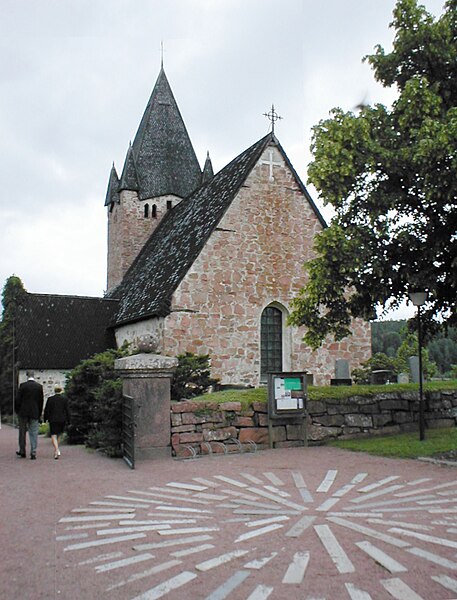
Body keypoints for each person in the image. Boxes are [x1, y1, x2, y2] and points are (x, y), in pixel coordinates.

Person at [16, 370, 44, 460]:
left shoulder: (22, 386)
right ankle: (33, 452)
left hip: (23, 412)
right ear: (34, 376)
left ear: (27, 376)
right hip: (34, 412)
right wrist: (39, 413)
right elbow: (41, 402)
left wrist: (17, 411)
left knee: (22, 433)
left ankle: (22, 451)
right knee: (34, 433)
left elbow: (18, 400)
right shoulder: (39, 387)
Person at [43, 386, 70, 459]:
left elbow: (47, 410)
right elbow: (67, 410)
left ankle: (56, 450)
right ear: (61, 390)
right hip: (62, 419)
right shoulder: (65, 399)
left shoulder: (50, 399)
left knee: (53, 435)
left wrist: (45, 419)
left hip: (53, 419)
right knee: (59, 434)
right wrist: (69, 420)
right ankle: (56, 450)